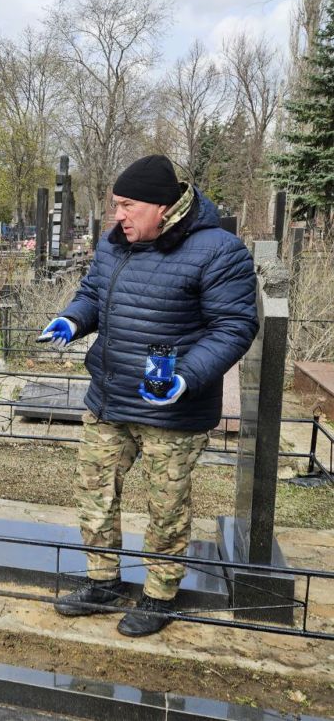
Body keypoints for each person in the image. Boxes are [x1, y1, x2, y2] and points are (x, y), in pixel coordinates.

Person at [41, 155, 258, 637]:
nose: (118, 215)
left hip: (172, 408)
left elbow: (235, 326)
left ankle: (160, 594)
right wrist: (73, 320)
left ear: (163, 207)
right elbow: (93, 295)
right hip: (109, 396)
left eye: (127, 205)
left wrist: (186, 376)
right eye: (116, 204)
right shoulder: (115, 242)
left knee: (166, 506)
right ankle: (103, 582)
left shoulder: (219, 251)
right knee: (94, 493)